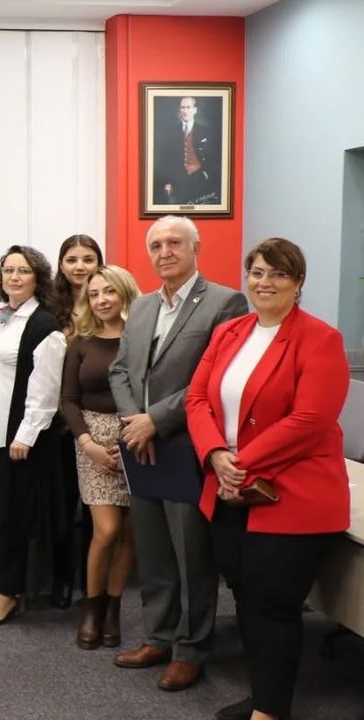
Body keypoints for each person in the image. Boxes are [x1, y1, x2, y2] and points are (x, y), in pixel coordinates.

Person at [185, 238, 350, 720]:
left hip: (291, 495)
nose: (265, 282)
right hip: (229, 488)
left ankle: (271, 711)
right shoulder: (230, 332)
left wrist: (240, 463)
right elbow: (197, 399)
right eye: (257, 272)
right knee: (246, 598)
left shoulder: (320, 339)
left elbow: (310, 420)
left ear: (298, 282)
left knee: (272, 604)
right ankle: (265, 697)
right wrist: (215, 453)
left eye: (278, 274)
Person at [108, 214, 247, 691]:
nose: (164, 252)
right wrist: (134, 421)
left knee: (191, 555)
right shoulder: (142, 306)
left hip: (186, 445)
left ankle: (191, 648)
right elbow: (120, 371)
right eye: (156, 245)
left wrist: (156, 420)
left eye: (174, 243)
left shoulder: (225, 302)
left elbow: (215, 377)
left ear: (195, 248)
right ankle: (159, 636)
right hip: (140, 445)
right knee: (153, 551)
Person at [0, 245, 66, 628]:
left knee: (15, 518)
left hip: (20, 439)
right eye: (8, 270)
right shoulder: (0, 321)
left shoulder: (45, 326)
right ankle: (5, 585)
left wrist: (25, 435)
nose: (14, 277)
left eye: (23, 271)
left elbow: (46, 390)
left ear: (37, 278)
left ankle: (9, 592)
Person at [60, 265, 140, 649]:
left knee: (129, 533)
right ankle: (90, 608)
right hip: (92, 441)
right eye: (94, 294)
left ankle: (113, 609)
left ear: (124, 293)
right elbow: (68, 400)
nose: (102, 300)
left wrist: (132, 438)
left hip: (136, 440)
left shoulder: (142, 340)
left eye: (109, 291)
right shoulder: (81, 342)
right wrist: (88, 444)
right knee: (106, 530)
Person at [48, 234, 105, 609]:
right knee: (61, 503)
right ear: (61, 265)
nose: (80, 266)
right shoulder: (50, 308)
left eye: (88, 259)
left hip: (96, 421)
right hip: (57, 422)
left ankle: (91, 581)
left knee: (93, 508)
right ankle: (61, 578)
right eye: (72, 259)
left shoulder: (108, 303)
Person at [154, 96, 221, 206]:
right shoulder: (171, 132)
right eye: (182, 107)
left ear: (195, 110)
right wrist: (167, 182)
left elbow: (214, 158)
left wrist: (207, 175)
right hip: (177, 180)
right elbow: (165, 159)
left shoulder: (205, 131)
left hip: (200, 179)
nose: (185, 111)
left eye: (188, 107)